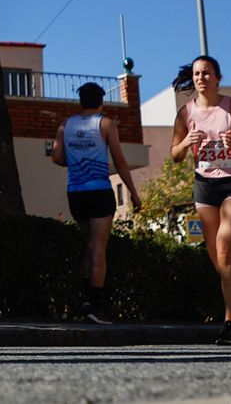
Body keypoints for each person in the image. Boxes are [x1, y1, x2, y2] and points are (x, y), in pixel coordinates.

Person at [170, 55, 231, 344]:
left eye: (206, 73)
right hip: (205, 186)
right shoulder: (185, 114)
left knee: (225, 248)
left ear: (217, 77)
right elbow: (175, 155)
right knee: (218, 260)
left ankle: (230, 324)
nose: (201, 78)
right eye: (196, 73)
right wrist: (186, 143)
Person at [51, 82, 141, 324]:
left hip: (76, 192)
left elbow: (57, 157)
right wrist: (133, 192)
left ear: (80, 101)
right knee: (99, 248)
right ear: (101, 102)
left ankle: (84, 301)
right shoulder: (105, 123)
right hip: (99, 191)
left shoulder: (65, 124)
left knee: (88, 247)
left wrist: (77, 164)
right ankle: (96, 306)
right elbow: (120, 161)